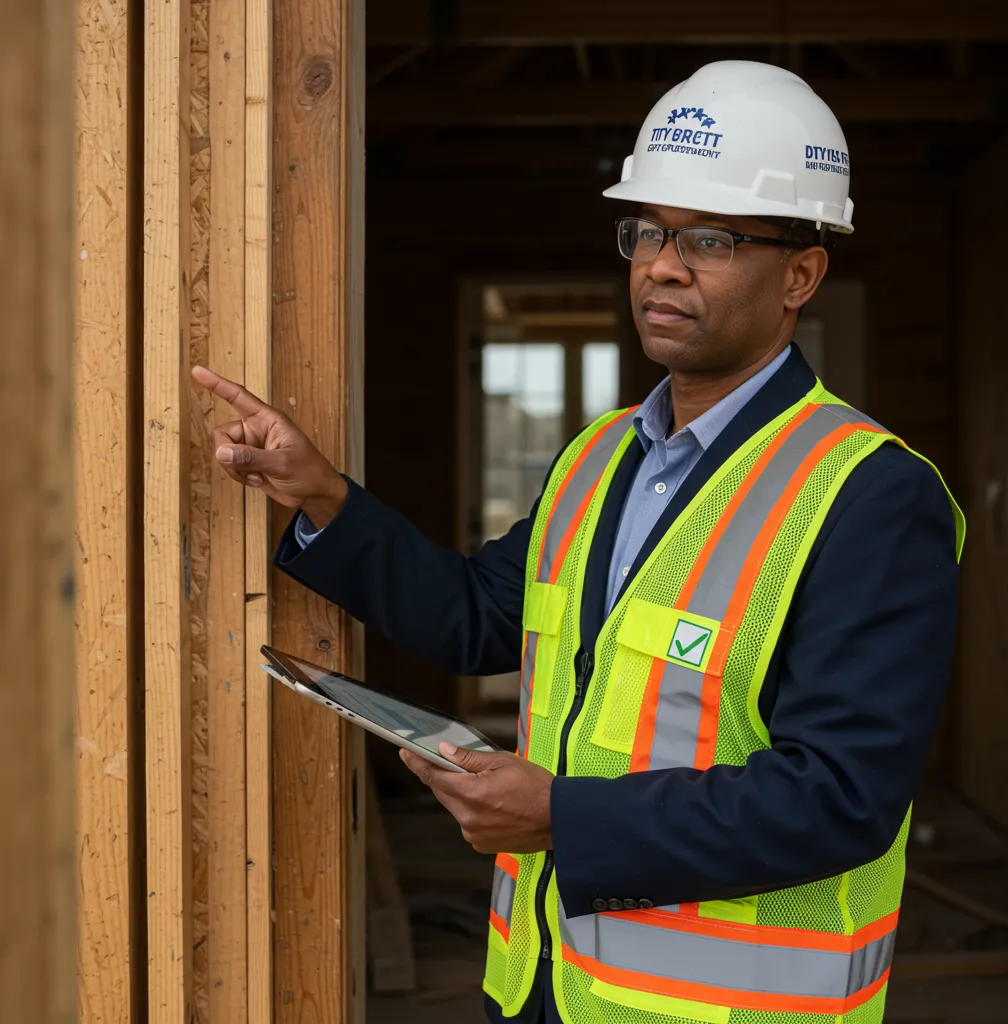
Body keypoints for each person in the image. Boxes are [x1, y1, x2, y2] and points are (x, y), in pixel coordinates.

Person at [194, 60, 963, 1024]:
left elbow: (842, 795)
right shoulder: (600, 459)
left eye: (711, 239)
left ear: (801, 273)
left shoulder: (868, 493)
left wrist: (561, 816)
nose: (662, 264)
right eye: (648, 231)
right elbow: (480, 618)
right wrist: (325, 499)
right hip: (548, 991)